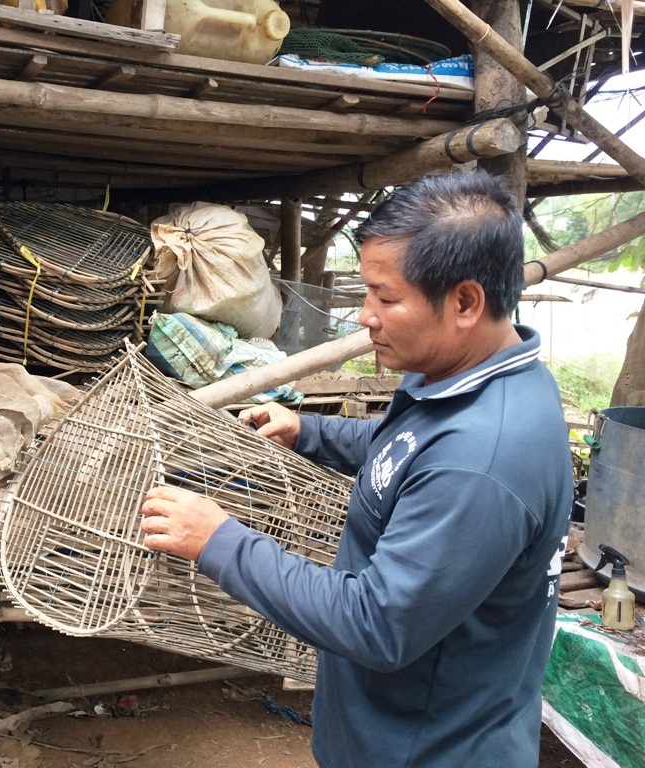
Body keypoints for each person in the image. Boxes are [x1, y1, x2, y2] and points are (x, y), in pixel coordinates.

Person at [140, 170, 573, 768]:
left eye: (386, 297)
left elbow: (376, 623)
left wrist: (220, 541)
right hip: (392, 729)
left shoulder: (485, 461)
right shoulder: (474, 375)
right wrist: (311, 431)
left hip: (427, 750)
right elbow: (412, 446)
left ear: (466, 301)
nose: (366, 315)